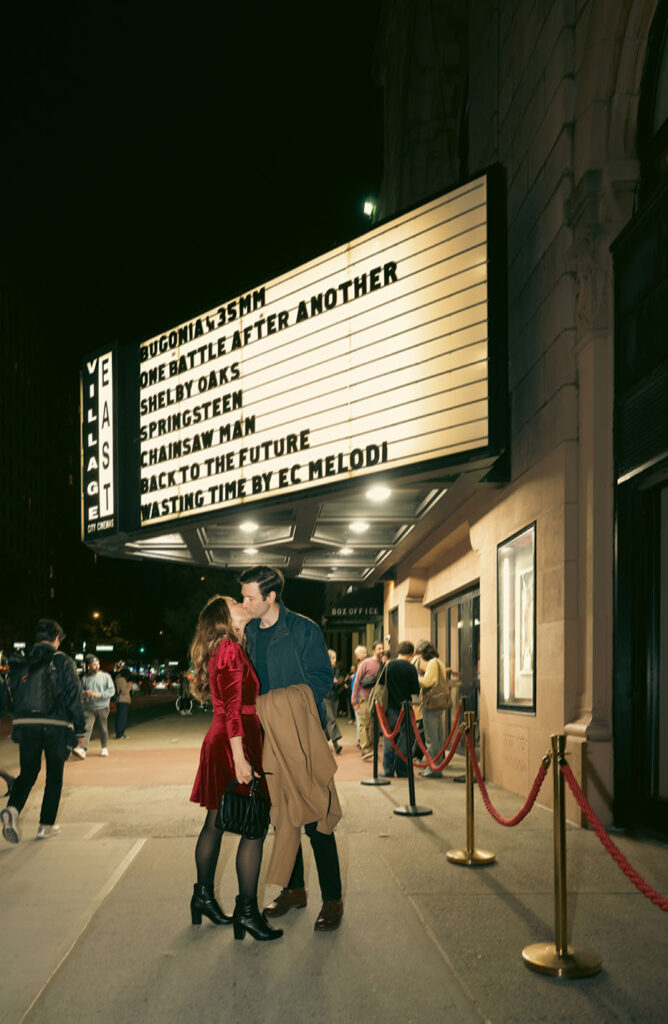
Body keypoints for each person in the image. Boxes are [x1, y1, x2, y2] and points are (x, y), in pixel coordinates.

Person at [240, 565, 344, 932]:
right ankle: (294, 889)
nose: (244, 603)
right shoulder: (250, 632)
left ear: (270, 597)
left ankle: (333, 899)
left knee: (317, 818)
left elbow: (322, 679)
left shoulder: (303, 629)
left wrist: (283, 707)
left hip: (301, 736)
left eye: (249, 597)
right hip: (267, 737)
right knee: (283, 815)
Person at [189, 595, 282, 943]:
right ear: (223, 617)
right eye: (233, 602)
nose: (240, 602)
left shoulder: (228, 646)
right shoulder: (228, 648)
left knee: (216, 821)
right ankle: (247, 913)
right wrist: (240, 758)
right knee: (254, 825)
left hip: (228, 739)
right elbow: (232, 708)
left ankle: (203, 897)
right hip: (235, 741)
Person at [0, 618, 85, 843]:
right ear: (56, 638)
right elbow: (74, 695)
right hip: (55, 724)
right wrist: (80, 730)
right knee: (54, 776)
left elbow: (9, 695)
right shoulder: (62, 660)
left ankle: (13, 809)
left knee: (28, 773)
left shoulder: (22, 661)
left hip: (25, 725)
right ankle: (45, 825)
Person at [414, 641, 460, 778]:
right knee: (438, 736)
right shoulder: (439, 662)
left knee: (431, 738)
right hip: (439, 704)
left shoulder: (432, 663)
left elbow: (428, 682)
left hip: (431, 704)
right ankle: (438, 765)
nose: (420, 657)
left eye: (421, 654)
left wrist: (418, 678)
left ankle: (433, 769)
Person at [381, 641, 420, 778]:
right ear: (411, 654)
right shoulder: (411, 668)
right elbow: (415, 690)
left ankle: (388, 770)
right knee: (404, 741)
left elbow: (380, 683)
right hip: (405, 708)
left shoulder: (388, 665)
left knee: (389, 739)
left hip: (390, 707)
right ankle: (402, 770)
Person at [72, 655, 115, 758]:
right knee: (87, 728)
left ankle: (104, 748)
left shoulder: (106, 676)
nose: (96, 666)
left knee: (103, 728)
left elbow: (111, 691)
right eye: (94, 664)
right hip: (89, 707)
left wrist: (99, 695)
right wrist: (85, 693)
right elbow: (80, 692)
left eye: (97, 664)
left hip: (102, 706)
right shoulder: (85, 678)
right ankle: (83, 749)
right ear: (89, 666)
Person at [352, 640, 385, 760]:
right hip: (365, 698)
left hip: (378, 700)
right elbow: (357, 681)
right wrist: (354, 700)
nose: (381, 650)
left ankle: (372, 749)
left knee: (375, 726)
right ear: (373, 650)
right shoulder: (366, 663)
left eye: (382, 648)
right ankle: (366, 750)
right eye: (379, 648)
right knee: (365, 724)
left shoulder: (383, 664)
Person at [323, 650, 343, 755]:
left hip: (335, 697)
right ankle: (336, 745)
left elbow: (336, 681)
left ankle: (322, 743)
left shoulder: (336, 670)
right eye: (333, 658)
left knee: (329, 722)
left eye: (335, 658)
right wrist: (332, 681)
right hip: (325, 698)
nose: (335, 660)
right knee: (331, 720)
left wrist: (338, 682)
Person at [113, 661, 132, 739]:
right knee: (121, 718)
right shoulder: (121, 679)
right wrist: (130, 685)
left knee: (121, 717)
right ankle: (119, 734)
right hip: (122, 700)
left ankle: (120, 733)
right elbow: (125, 691)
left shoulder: (118, 678)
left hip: (121, 700)